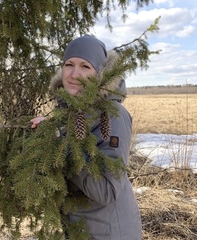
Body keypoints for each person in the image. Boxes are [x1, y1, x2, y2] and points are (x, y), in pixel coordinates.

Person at [31, 34, 142, 240]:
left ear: (99, 73)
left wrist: (60, 144)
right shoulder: (70, 111)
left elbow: (106, 191)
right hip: (81, 230)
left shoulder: (112, 115)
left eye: (85, 67)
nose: (74, 74)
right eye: (69, 64)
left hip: (110, 233)